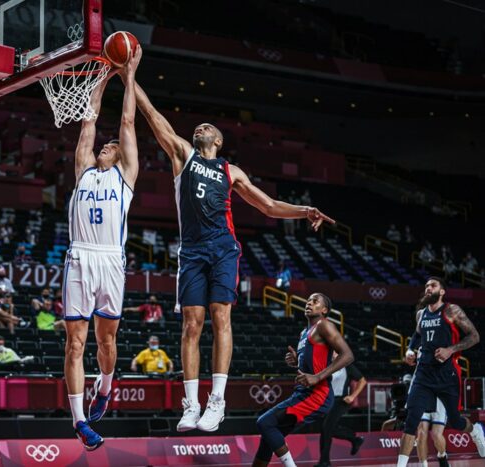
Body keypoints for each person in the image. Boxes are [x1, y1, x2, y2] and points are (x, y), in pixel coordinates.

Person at [132, 71, 335, 433]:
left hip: (224, 248)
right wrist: (130, 74)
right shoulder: (184, 155)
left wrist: (305, 211)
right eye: (200, 125)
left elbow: (269, 206)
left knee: (221, 318)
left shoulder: (231, 170)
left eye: (209, 126)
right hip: (192, 251)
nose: (203, 127)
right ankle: (191, 404)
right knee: (191, 325)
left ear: (219, 140)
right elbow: (150, 114)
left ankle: (218, 401)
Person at [62, 47, 141, 451]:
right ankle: (79, 422)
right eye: (104, 147)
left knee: (106, 343)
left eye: (113, 147)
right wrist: (102, 78)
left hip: (111, 259)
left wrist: (129, 75)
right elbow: (89, 120)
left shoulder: (126, 177)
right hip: (80, 256)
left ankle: (106, 386)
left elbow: (126, 120)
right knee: (75, 343)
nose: (107, 147)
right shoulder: (83, 170)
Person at [252, 293, 353, 467]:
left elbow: (348, 355)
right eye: (308, 301)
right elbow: (312, 364)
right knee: (268, 439)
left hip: (317, 394)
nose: (309, 303)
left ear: (324, 310)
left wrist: (318, 377)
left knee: (264, 422)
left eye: (315, 301)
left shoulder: (323, 325)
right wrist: (296, 360)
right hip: (303, 392)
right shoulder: (304, 333)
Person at [397, 277, 485, 466]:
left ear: (442, 291)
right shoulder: (421, 314)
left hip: (447, 375)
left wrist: (451, 350)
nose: (428, 288)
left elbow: (475, 336)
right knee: (411, 421)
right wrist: (409, 350)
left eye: (433, 285)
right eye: (426, 285)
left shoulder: (451, 310)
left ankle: (475, 430)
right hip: (423, 374)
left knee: (455, 421)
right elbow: (417, 336)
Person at [315, 354, 366, 467]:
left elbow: (362, 380)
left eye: (335, 352)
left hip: (341, 401)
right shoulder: (325, 365)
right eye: (331, 352)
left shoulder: (347, 366)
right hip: (327, 401)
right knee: (326, 429)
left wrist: (353, 396)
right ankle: (354, 439)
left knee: (327, 427)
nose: (333, 354)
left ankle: (324, 462)